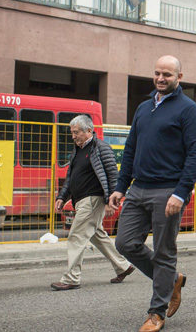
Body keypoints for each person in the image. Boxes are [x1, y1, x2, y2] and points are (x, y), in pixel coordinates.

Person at [111, 56, 196, 332]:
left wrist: (181, 192)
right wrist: (120, 187)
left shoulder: (189, 111)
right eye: (157, 73)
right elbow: (130, 150)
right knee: (125, 243)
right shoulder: (143, 108)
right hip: (138, 188)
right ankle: (172, 279)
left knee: (164, 252)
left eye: (167, 74)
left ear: (179, 76)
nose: (161, 78)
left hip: (168, 190)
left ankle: (156, 313)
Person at [50, 115, 134, 291]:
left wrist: (112, 201)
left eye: (76, 132)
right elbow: (71, 178)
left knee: (76, 236)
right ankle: (123, 266)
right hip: (80, 201)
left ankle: (72, 278)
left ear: (89, 130)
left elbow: (113, 175)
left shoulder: (101, 148)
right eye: (72, 133)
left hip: (93, 199)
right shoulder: (77, 150)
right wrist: (61, 197)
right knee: (98, 236)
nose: (73, 136)